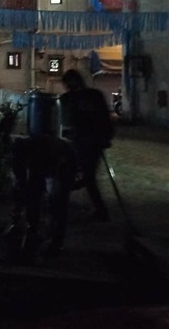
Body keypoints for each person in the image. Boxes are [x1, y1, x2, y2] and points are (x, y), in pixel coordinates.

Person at [60, 69, 113, 223]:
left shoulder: (89, 96)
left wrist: (105, 137)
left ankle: (100, 210)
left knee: (87, 176)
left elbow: (104, 118)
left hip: (88, 142)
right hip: (81, 142)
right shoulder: (72, 98)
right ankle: (98, 209)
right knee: (83, 175)